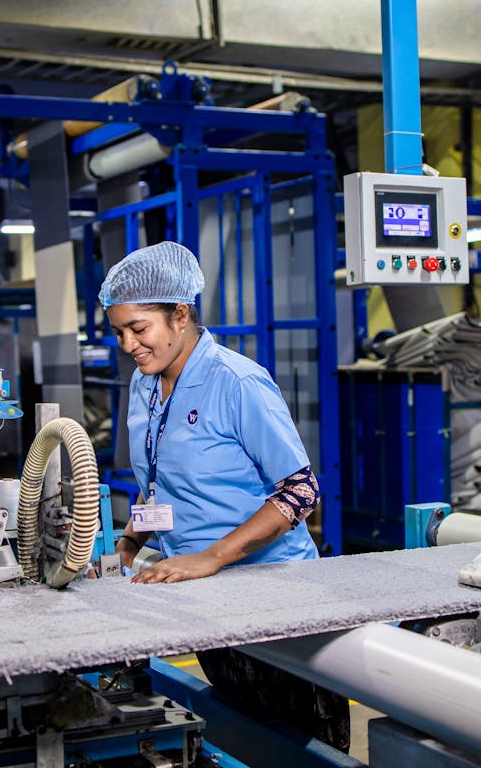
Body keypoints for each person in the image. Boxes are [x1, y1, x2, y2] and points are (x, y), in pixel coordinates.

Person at [99, 240, 349, 752]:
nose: (128, 344)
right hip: (204, 599)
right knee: (242, 733)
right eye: (119, 331)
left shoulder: (237, 382)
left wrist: (211, 558)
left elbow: (301, 491)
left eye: (139, 329)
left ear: (181, 316)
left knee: (302, 747)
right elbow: (160, 485)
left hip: (278, 599)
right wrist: (125, 546)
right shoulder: (144, 387)